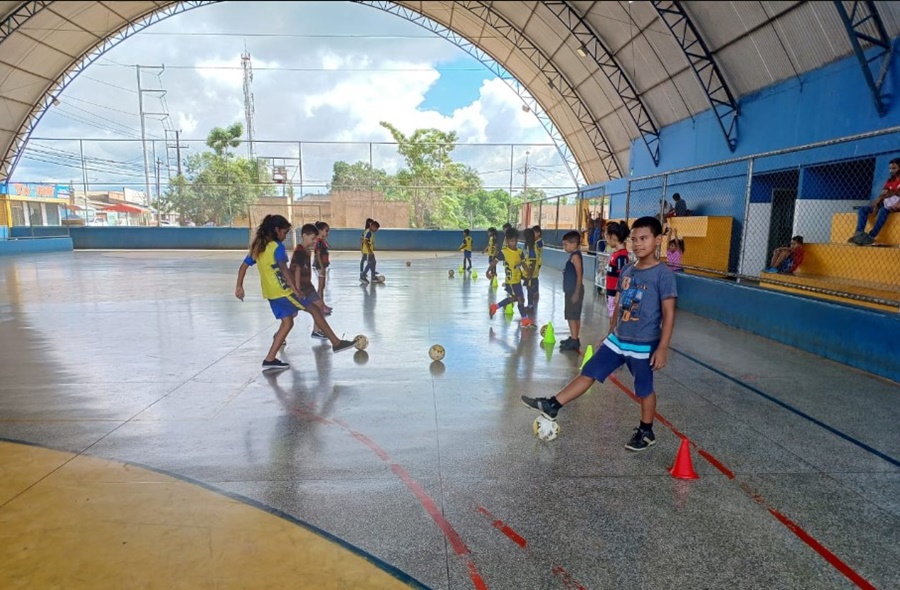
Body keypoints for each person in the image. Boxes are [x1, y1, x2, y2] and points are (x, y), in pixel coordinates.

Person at [522, 216, 677, 452]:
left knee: (644, 389)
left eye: (644, 239)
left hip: (642, 344)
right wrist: (610, 332)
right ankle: (553, 405)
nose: (637, 244)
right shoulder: (628, 269)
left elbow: (669, 313)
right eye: (634, 239)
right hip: (618, 339)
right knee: (589, 371)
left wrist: (663, 347)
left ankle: (646, 431)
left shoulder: (663, 274)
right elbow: (620, 305)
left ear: (657, 240)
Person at [234, 215, 355, 370]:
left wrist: (239, 286)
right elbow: (284, 270)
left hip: (271, 293)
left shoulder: (259, 247)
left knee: (288, 322)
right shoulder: (277, 247)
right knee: (314, 310)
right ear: (276, 230)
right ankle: (336, 343)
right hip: (283, 292)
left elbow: (243, 267)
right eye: (284, 232)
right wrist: (296, 289)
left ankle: (270, 359)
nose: (285, 237)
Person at [292, 224, 331, 340]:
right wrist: (297, 289)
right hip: (300, 288)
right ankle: (279, 336)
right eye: (313, 238)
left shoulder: (307, 250)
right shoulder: (299, 251)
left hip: (308, 287)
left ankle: (316, 331)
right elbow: (297, 271)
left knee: (319, 305)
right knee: (291, 315)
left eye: (315, 238)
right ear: (304, 236)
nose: (315, 241)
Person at [849, 158, 900, 246]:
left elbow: (891, 193)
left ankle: (871, 236)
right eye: (890, 168)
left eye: (894, 168)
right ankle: (859, 234)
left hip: (895, 206)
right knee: (863, 209)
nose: (891, 171)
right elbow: (883, 194)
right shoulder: (890, 180)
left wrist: (890, 193)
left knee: (883, 210)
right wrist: (876, 204)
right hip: (885, 203)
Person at [489, 227, 533, 327]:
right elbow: (494, 262)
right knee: (520, 299)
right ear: (507, 241)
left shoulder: (520, 252)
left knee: (516, 299)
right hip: (510, 282)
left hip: (517, 281)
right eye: (512, 241)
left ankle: (495, 306)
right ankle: (525, 320)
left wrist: (528, 272)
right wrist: (488, 271)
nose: (514, 243)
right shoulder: (504, 252)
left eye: (516, 241)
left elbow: (523, 264)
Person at [558, 231, 584, 352]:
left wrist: (576, 292)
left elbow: (579, 275)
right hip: (570, 290)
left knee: (572, 316)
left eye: (566, 244)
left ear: (574, 244)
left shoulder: (575, 257)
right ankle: (574, 337)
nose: (564, 247)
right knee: (571, 315)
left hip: (574, 291)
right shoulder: (573, 255)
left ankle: (574, 340)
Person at [604, 221, 631, 319]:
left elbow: (623, 277)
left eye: (607, 236)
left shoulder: (621, 256)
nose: (606, 239)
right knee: (612, 317)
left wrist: (618, 295)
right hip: (611, 292)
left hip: (615, 294)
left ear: (613, 237)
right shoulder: (616, 254)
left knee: (614, 319)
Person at [313, 221, 332, 314]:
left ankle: (322, 304)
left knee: (322, 286)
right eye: (326, 231)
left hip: (323, 266)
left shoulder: (322, 241)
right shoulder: (319, 242)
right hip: (320, 267)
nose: (327, 233)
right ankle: (320, 306)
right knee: (320, 287)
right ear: (320, 231)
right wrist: (321, 267)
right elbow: (318, 254)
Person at [522, 228, 539, 312]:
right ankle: (530, 305)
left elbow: (533, 262)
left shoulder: (532, 247)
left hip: (531, 272)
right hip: (528, 271)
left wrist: (530, 274)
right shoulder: (528, 246)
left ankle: (530, 306)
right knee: (529, 288)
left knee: (530, 289)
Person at [359, 218, 373, 283]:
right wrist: (361, 248)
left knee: (366, 260)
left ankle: (364, 272)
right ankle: (362, 273)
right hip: (366, 249)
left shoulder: (368, 231)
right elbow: (362, 240)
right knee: (366, 260)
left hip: (366, 249)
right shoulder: (367, 231)